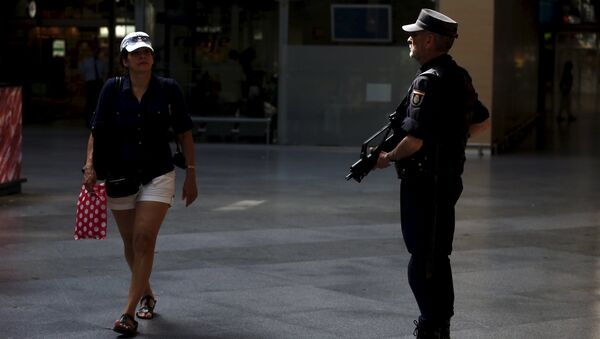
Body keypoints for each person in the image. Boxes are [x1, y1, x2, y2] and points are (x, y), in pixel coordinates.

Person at [373, 9, 490, 339]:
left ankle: (432, 326)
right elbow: (482, 122)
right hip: (447, 179)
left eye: (414, 34)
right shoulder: (458, 76)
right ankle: (439, 324)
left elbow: (414, 140)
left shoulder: (427, 80)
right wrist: (450, 139)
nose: (409, 38)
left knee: (422, 258)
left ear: (429, 40)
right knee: (437, 255)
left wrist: (387, 157)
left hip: (424, 182)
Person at [81, 31, 198, 336]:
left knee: (144, 239)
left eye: (146, 51)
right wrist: (90, 165)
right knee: (131, 243)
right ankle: (147, 293)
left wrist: (192, 174)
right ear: (125, 60)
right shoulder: (111, 89)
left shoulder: (169, 89)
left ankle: (128, 313)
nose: (142, 56)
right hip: (120, 175)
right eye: (135, 53)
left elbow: (185, 132)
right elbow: (96, 129)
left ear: (152, 58)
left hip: (159, 173)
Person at [79, 42, 108, 128]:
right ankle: (89, 121)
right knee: (89, 103)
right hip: (90, 83)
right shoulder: (86, 61)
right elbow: (82, 73)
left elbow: (104, 73)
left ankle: (97, 121)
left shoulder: (101, 62)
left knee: (97, 103)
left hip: (98, 83)